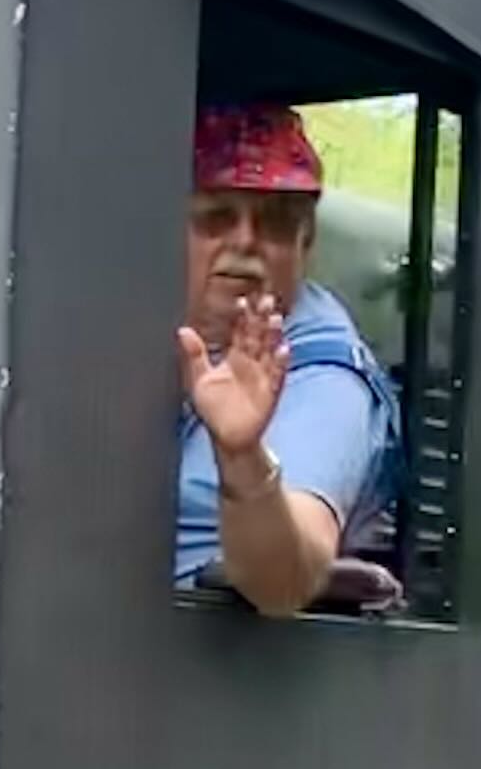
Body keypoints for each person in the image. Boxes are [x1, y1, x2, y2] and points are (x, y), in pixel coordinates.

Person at [174, 102, 407, 617]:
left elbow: (287, 580)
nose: (245, 241)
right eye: (215, 217)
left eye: (276, 223)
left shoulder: (323, 380)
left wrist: (243, 459)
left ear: (307, 243)